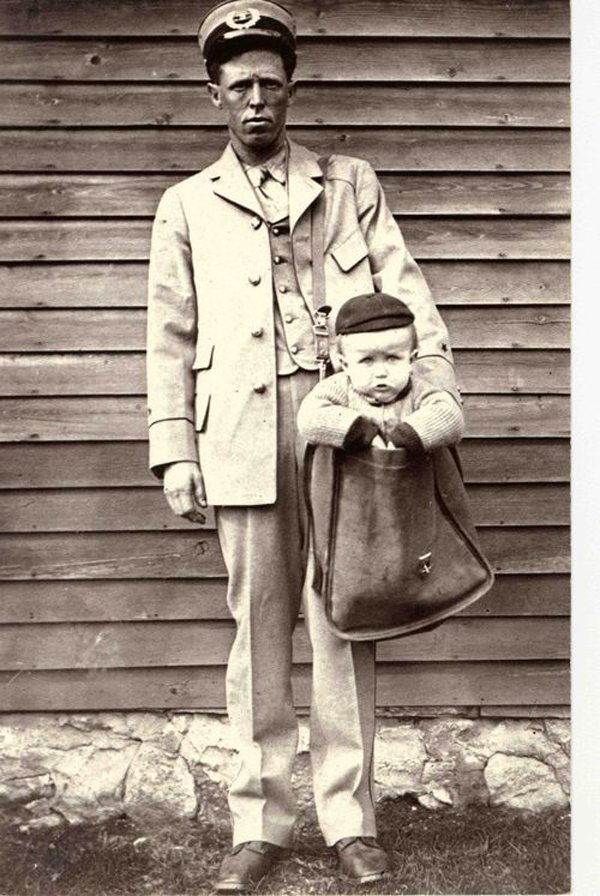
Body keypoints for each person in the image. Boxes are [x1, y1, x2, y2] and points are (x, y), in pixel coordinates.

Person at [146, 1, 461, 890]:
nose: (257, 101)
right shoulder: (186, 205)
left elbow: (408, 295)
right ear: (214, 95)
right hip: (240, 437)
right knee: (258, 632)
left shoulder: (349, 184)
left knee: (343, 620)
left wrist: (431, 400)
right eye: (239, 86)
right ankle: (259, 824)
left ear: (291, 90)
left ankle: (350, 822)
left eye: (271, 85)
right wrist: (176, 448)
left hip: (345, 433)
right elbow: (168, 335)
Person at [297, 292, 465, 454]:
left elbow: (451, 417)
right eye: (367, 360)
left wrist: (405, 437)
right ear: (345, 364)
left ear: (411, 359)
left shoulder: (420, 391)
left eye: (392, 358)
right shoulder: (339, 388)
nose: (381, 372)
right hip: (352, 472)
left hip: (411, 472)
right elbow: (309, 418)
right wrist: (360, 432)